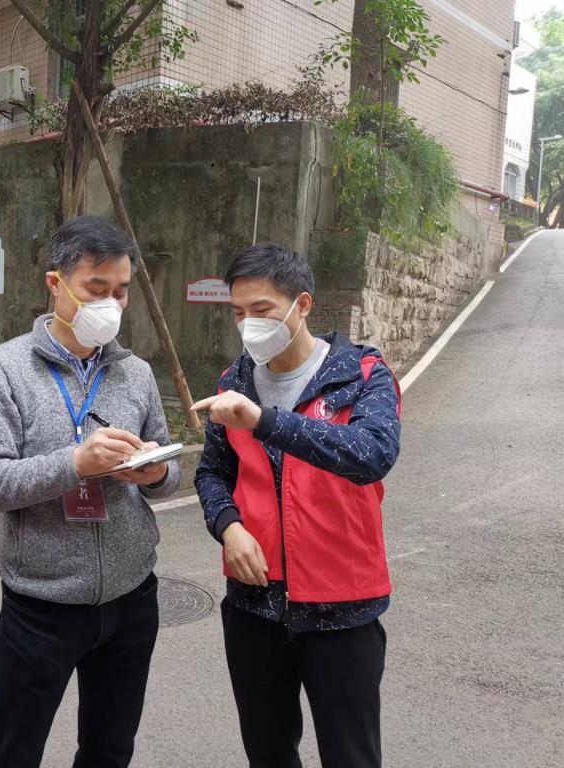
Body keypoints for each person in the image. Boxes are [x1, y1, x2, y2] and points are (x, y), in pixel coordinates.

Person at [0, 216, 181, 768]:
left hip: (131, 598)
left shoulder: (136, 372)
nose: (111, 303)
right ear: (55, 284)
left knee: (110, 749)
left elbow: (169, 471)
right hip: (41, 604)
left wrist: (155, 475)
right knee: (13, 753)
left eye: (121, 290)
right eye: (96, 287)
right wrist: (75, 464)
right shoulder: (1, 370)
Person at [193, 243, 402, 768]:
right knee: (267, 752)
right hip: (253, 605)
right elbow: (213, 472)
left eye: (261, 310)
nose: (248, 324)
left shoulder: (362, 374)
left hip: (343, 608)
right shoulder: (234, 381)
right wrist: (229, 527)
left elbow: (371, 454)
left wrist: (264, 420)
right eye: (238, 313)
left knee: (351, 755)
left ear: (302, 304)